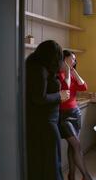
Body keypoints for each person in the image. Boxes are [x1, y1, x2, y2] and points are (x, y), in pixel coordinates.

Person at [26, 40, 70, 180]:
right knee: (51, 161)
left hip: (46, 121)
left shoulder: (40, 67)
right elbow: (39, 98)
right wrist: (59, 95)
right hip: (44, 123)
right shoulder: (39, 70)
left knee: (48, 160)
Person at [58, 50, 91, 180]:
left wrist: (73, 71)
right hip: (64, 115)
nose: (74, 61)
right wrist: (67, 71)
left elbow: (84, 87)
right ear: (64, 59)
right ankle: (86, 176)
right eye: (72, 58)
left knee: (73, 147)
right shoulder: (58, 74)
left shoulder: (71, 74)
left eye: (75, 59)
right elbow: (65, 87)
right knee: (76, 145)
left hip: (75, 112)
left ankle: (71, 175)